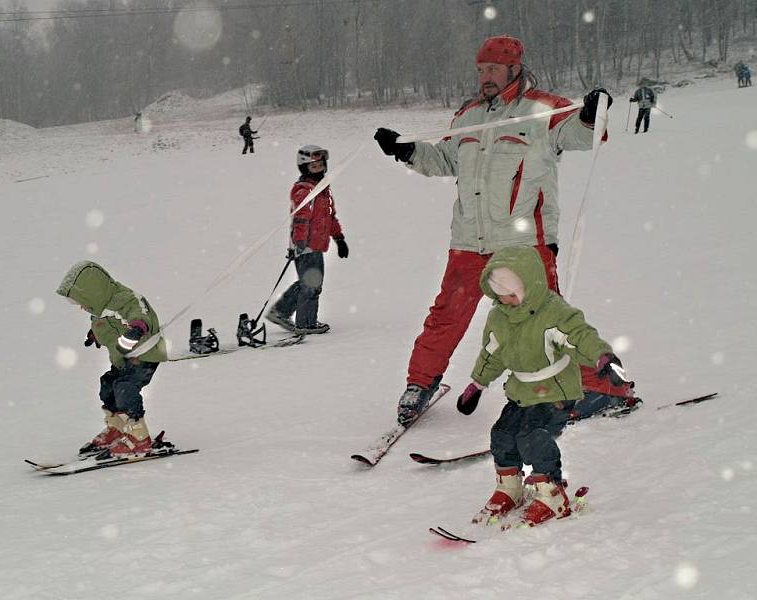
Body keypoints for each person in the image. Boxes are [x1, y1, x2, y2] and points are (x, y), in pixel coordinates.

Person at [373, 34, 631, 426]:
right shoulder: (468, 115)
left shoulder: (544, 109)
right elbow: (445, 158)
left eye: (492, 68)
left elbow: (581, 134)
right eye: (480, 70)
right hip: (469, 241)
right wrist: (406, 150)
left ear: (514, 67)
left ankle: (603, 388)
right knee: (445, 315)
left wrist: (592, 115)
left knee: (549, 320)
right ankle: (420, 383)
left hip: (523, 245)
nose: (485, 76)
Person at [455, 246, 631, 526]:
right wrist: (477, 384)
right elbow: (492, 352)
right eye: (500, 296)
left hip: (556, 391)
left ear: (529, 286)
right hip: (522, 390)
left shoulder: (554, 313)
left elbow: (579, 336)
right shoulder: (500, 316)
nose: (507, 301)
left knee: (532, 436)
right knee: (502, 434)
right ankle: (509, 489)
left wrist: (602, 357)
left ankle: (552, 494)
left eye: (512, 294)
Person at [56, 261, 167, 457]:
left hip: (145, 353)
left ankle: (139, 436)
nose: (81, 307)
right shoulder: (99, 306)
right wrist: (94, 334)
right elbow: (105, 322)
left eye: (80, 301)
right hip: (124, 358)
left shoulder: (123, 298)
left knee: (124, 386)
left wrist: (137, 328)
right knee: (107, 384)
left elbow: (139, 312)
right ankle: (117, 427)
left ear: (92, 292)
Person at [266, 145, 349, 335]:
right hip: (306, 246)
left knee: (307, 282)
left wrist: (339, 237)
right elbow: (300, 218)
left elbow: (330, 217)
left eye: (320, 164)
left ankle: (280, 311)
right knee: (312, 285)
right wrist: (300, 241)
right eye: (313, 166)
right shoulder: (304, 190)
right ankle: (306, 323)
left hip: (316, 245)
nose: (318, 168)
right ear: (304, 168)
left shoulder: (322, 189)